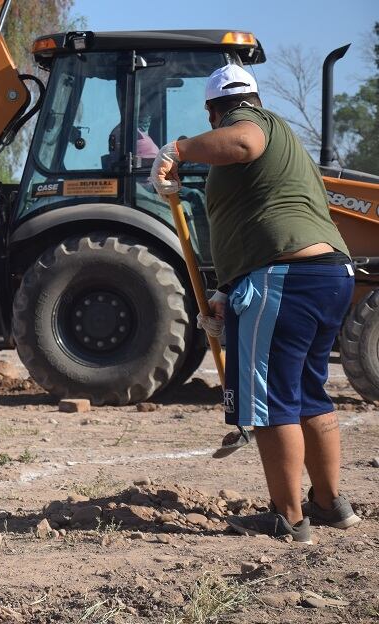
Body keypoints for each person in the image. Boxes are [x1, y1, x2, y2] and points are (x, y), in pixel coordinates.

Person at [149, 64, 359, 544]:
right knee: (309, 394)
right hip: (324, 275)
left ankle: (291, 520)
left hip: (286, 278)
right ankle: (330, 505)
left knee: (270, 405)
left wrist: (177, 148)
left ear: (213, 109)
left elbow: (244, 141)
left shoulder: (251, 124)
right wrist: (230, 290)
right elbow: (260, 214)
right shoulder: (283, 137)